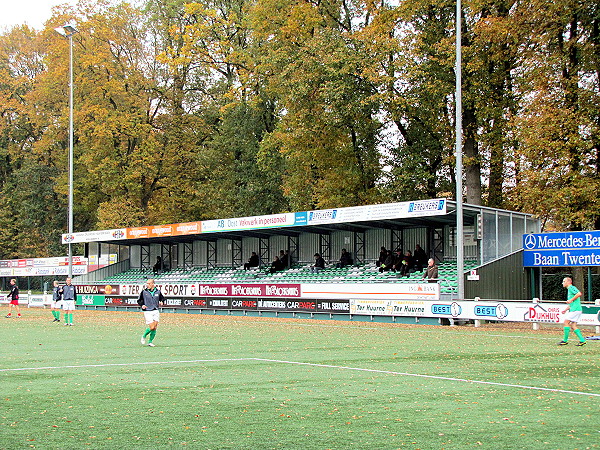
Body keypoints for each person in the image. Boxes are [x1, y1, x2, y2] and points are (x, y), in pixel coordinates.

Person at [558, 277, 586, 346]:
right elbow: (572, 303)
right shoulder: (569, 289)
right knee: (573, 325)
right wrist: (566, 309)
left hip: (575, 310)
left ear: (568, 282)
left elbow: (579, 293)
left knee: (566, 322)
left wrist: (571, 300)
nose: (562, 283)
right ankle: (582, 340)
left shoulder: (571, 288)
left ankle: (565, 340)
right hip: (576, 309)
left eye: (564, 281)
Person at [138, 279, 165, 347]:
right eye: (147, 283)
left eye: (149, 283)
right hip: (148, 311)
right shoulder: (144, 292)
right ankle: (144, 336)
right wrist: (142, 305)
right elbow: (139, 300)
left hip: (155, 310)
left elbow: (162, 298)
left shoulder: (158, 291)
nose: (147, 285)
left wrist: (162, 301)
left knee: (155, 327)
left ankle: (150, 342)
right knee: (152, 327)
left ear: (153, 284)